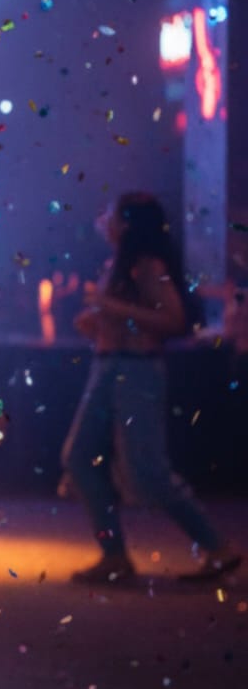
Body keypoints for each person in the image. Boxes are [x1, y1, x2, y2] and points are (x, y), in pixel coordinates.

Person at [61, 191, 240, 585]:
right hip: (108, 368)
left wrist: (111, 310)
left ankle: (216, 547)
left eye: (112, 213)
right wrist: (100, 322)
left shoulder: (147, 265)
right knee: (80, 457)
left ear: (127, 224)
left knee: (148, 472)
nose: (103, 218)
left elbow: (173, 319)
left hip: (136, 373)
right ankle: (114, 556)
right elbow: (130, 318)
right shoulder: (121, 265)